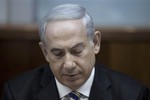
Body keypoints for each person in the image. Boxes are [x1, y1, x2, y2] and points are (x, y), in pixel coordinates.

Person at [1, 4, 150, 100]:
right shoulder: (17, 94)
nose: (68, 64)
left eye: (77, 51)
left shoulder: (132, 94)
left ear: (96, 43)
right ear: (45, 52)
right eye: (58, 54)